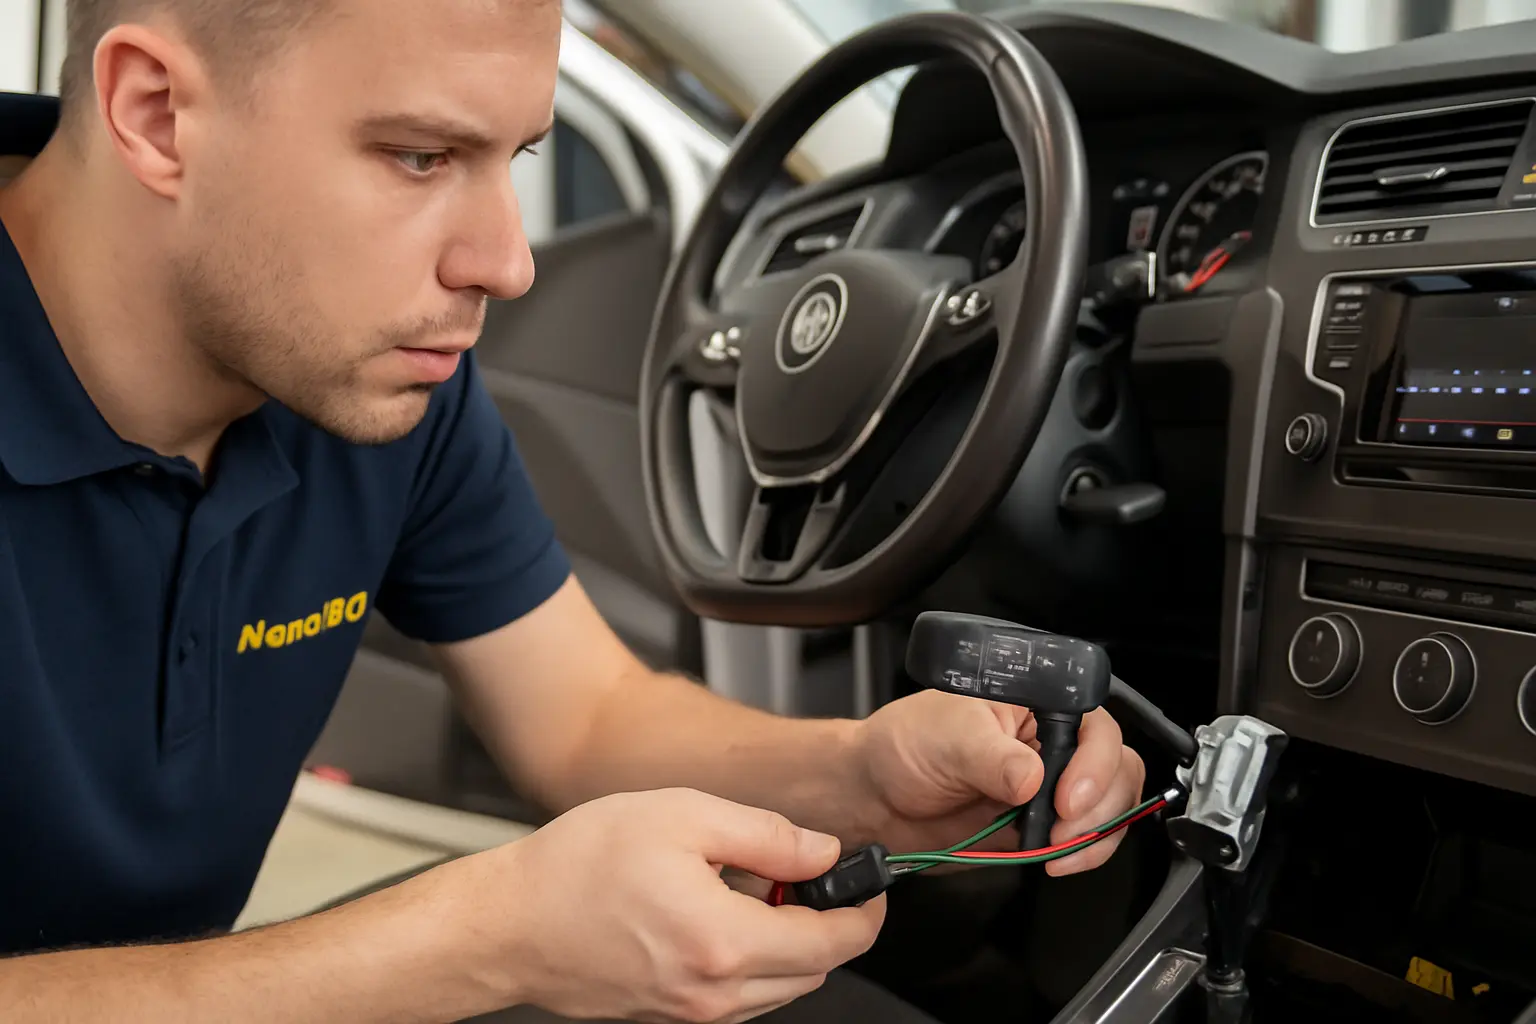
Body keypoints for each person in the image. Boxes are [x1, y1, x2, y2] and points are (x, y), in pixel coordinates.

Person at [0, 0, 1147, 1020]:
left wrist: (864, 777)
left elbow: (586, 720)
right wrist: (486, 938)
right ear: (153, 113)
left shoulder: (361, 376)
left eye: (517, 156)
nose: (507, 263)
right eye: (419, 155)